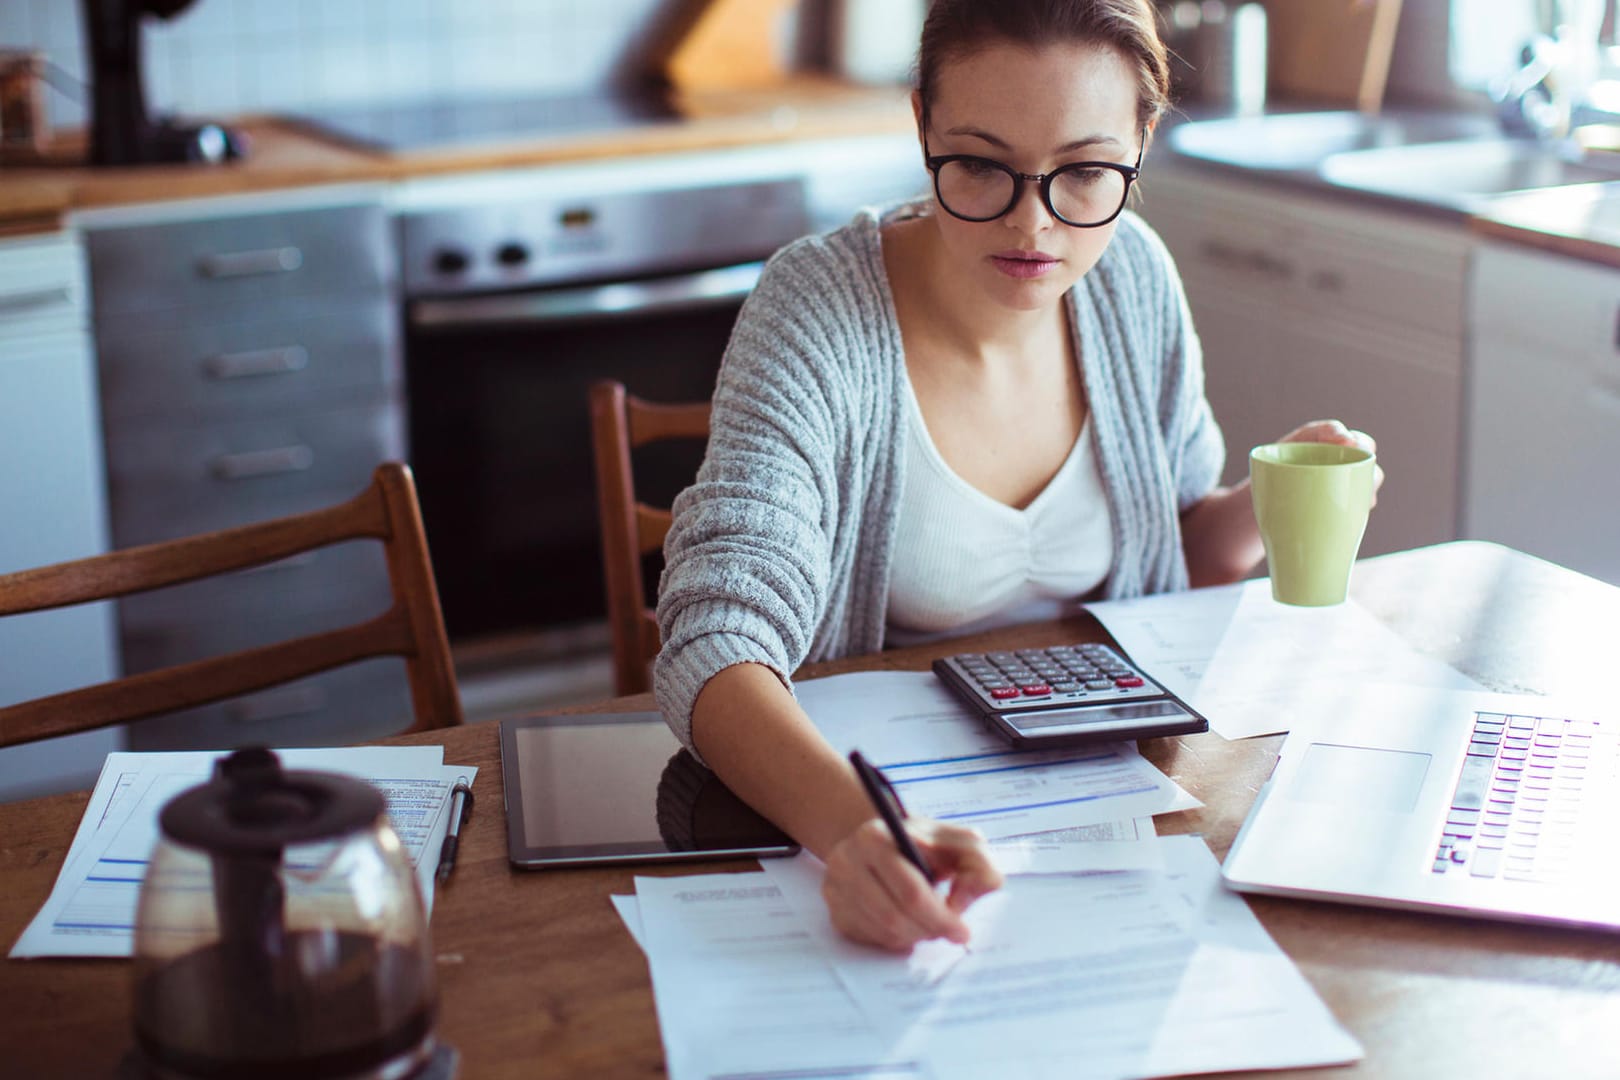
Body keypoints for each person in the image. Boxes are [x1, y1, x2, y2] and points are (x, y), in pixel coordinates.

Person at [653, 0, 1381, 952]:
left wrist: (1264, 506)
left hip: (1115, 829)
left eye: (1083, 171)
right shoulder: (817, 309)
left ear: (1141, 139)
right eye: (984, 165)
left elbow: (1173, 552)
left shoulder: (1133, 281)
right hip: (874, 813)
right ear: (922, 125)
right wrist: (853, 830)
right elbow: (713, 638)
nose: (1034, 224)